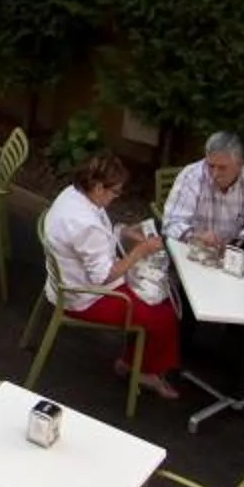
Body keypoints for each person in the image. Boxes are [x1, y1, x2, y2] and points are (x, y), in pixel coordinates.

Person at [44, 152, 180, 396]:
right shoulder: (84, 223)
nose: (116, 197)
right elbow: (103, 277)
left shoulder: (74, 194)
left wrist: (125, 233)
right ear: (98, 187)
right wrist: (140, 251)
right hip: (84, 297)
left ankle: (134, 361)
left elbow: (97, 239)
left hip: (65, 281)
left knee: (159, 301)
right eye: (115, 192)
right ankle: (141, 370)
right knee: (163, 315)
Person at [162, 131, 244, 252]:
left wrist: (237, 245)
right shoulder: (191, 176)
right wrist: (195, 235)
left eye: (222, 168)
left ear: (240, 165)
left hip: (235, 253)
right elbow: (171, 222)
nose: (215, 174)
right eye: (210, 166)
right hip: (195, 250)